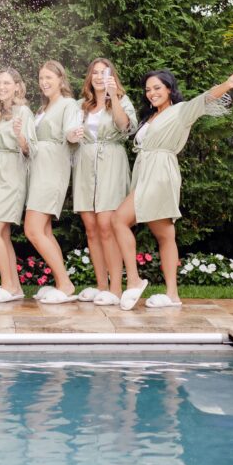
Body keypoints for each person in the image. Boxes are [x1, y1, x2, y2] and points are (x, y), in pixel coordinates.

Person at [112, 68, 233, 310]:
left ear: (169, 89)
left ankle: (133, 280)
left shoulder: (181, 112)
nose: (152, 93)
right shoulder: (150, 117)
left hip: (161, 173)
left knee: (119, 219)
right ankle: (172, 294)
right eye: (148, 90)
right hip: (144, 172)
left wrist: (227, 84)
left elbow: (205, 98)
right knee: (165, 234)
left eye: (157, 88)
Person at [71, 58, 137, 307]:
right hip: (85, 165)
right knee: (91, 227)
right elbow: (68, 134)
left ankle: (117, 289)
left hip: (111, 162)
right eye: (94, 73)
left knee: (107, 225)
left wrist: (114, 97)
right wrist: (71, 134)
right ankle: (101, 286)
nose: (98, 76)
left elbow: (125, 126)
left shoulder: (121, 99)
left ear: (112, 76)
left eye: (104, 72)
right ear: (89, 77)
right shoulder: (81, 105)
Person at [24, 60, 79, 305]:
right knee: (44, 230)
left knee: (33, 229)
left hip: (52, 171)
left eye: (49, 78)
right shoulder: (42, 109)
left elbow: (71, 131)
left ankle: (66, 283)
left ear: (60, 80)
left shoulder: (68, 104)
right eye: (41, 78)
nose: (44, 82)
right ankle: (61, 282)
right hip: (38, 171)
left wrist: (72, 134)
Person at [0, 67, 37, 302]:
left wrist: (20, 137)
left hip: (12, 175)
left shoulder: (23, 111)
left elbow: (30, 150)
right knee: (2, 233)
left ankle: (7, 285)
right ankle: (14, 287)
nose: (2, 87)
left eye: (7, 83)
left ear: (17, 86)